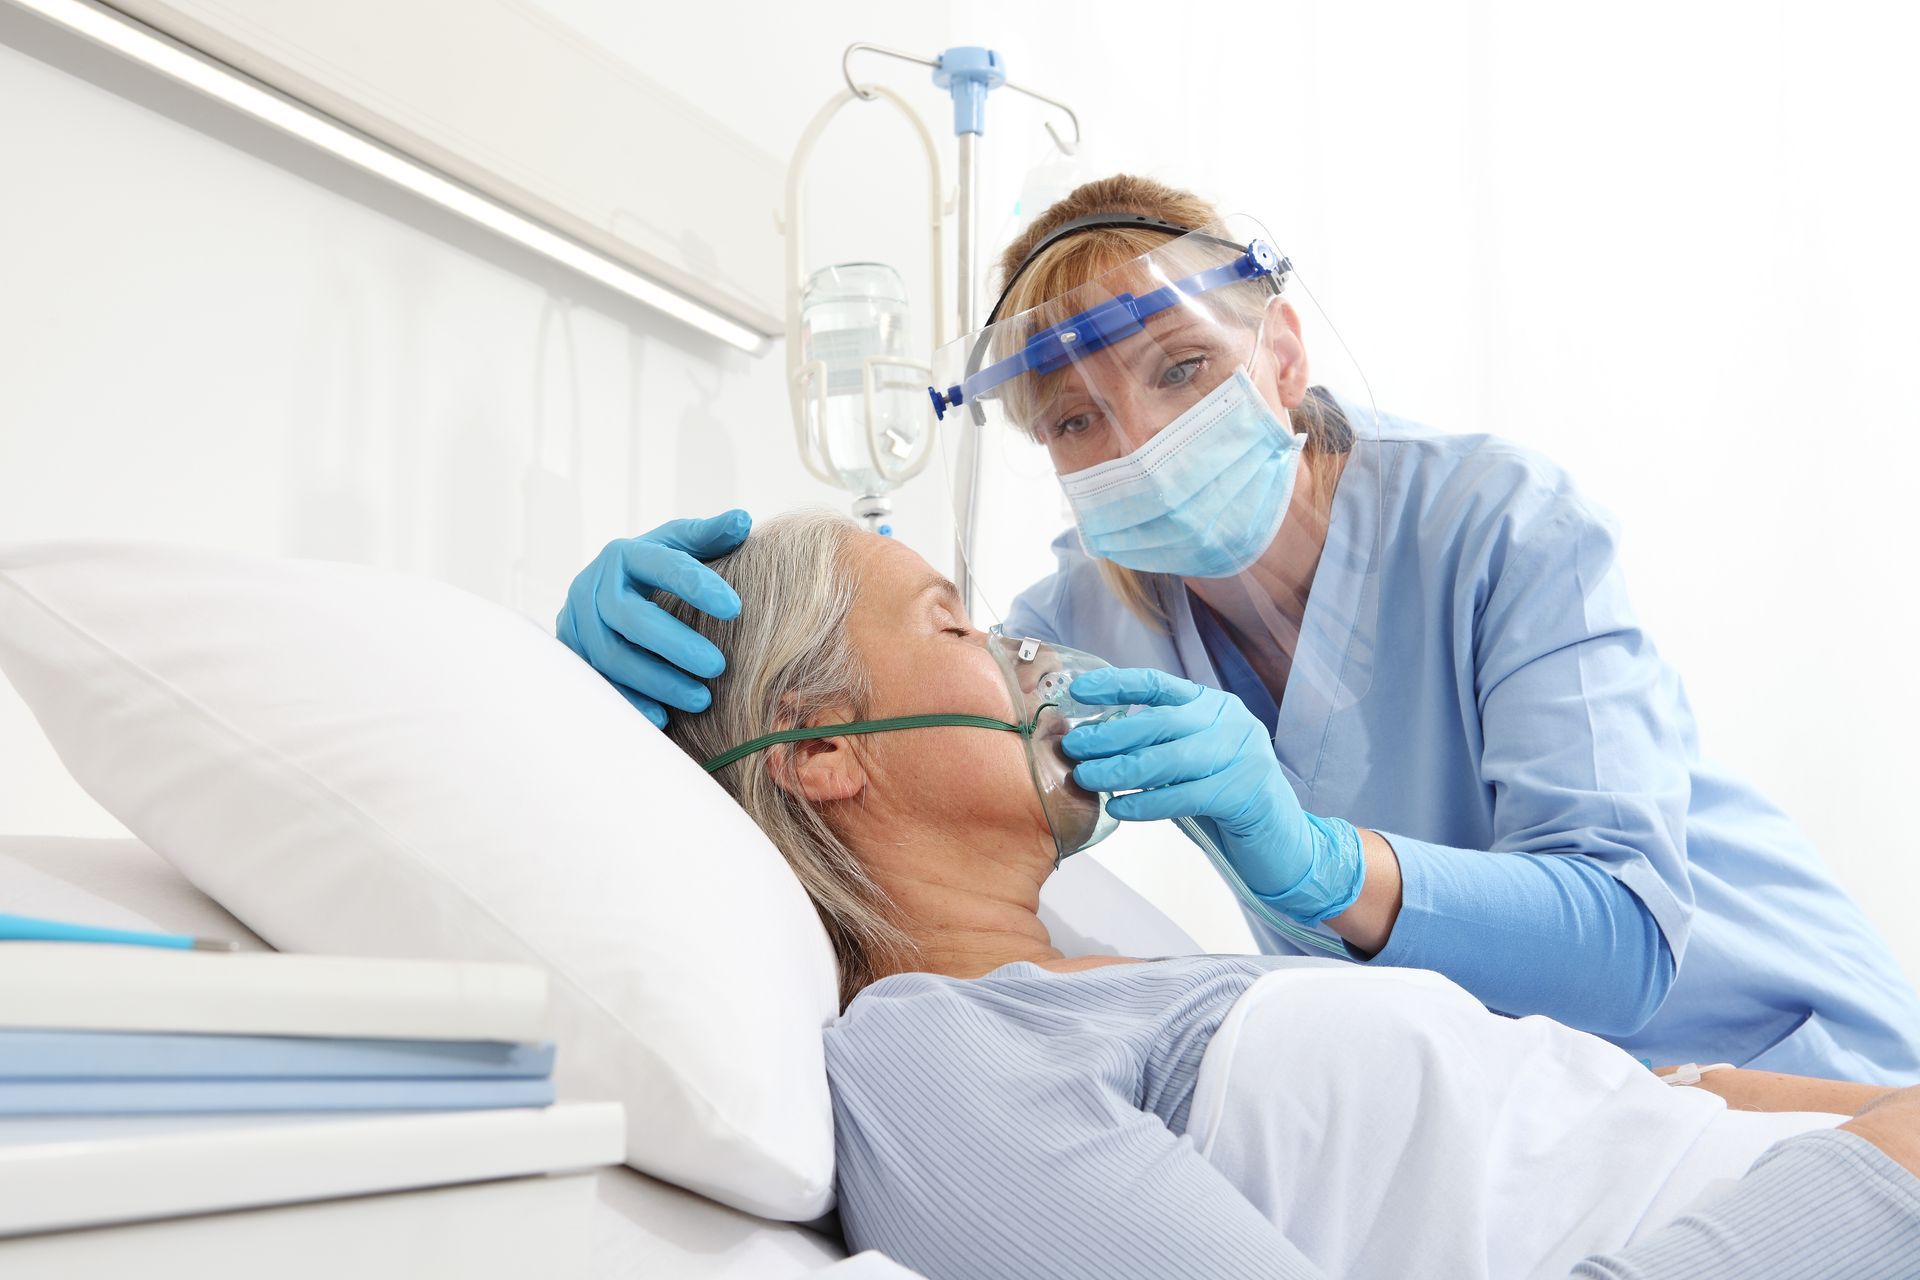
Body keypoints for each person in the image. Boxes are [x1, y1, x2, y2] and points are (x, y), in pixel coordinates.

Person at [557, 174, 1920, 1083]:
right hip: (1546, 1122)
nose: (1134, 435)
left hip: (1785, 1061)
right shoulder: (1076, 627)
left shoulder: (1500, 522)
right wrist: (606, 693)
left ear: (1282, 357)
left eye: (1182, 369)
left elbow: (1626, 938)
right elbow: (881, 736)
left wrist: (1323, 864)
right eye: (1077, 419)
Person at [639, 508, 1919, 1280]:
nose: (1038, 656)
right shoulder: (932, 1052)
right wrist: (1878, 1186)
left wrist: (1884, 1122)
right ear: (818, 748)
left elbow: (1612, 1103)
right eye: (957, 625)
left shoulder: (1141, 976)